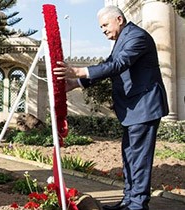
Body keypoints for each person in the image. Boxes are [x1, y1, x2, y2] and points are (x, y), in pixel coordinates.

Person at [53, 5, 169, 210]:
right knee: (130, 156)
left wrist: (78, 71)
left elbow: (118, 65)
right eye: (101, 27)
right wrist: (76, 83)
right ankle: (128, 201)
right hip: (134, 109)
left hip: (144, 106)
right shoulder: (123, 39)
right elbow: (110, 63)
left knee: (139, 159)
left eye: (105, 25)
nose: (103, 30)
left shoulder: (137, 37)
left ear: (119, 19)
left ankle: (137, 205)